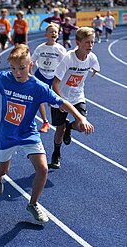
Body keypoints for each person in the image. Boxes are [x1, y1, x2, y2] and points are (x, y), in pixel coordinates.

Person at [0, 44, 94, 224]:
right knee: (4, 169)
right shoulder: (5, 79)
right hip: (7, 134)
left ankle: (32, 204)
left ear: (31, 65)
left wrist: (80, 118)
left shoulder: (38, 87)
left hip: (28, 133)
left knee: (42, 169)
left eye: (22, 68)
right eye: (13, 68)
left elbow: (62, 102)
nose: (17, 72)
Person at [49, 27, 100, 169]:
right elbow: (55, 83)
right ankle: (56, 153)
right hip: (60, 98)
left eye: (92, 42)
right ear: (78, 43)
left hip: (78, 97)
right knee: (59, 130)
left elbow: (95, 66)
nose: (90, 45)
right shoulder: (68, 58)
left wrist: (95, 70)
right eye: (87, 43)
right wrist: (59, 100)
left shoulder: (92, 58)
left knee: (82, 126)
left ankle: (69, 127)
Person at [31, 23, 66, 132]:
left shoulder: (60, 49)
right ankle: (45, 122)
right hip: (40, 75)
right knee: (38, 99)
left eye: (55, 32)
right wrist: (31, 74)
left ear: (58, 34)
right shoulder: (40, 48)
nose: (53, 33)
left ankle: (62, 122)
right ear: (46, 34)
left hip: (53, 77)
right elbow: (31, 61)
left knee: (55, 101)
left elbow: (65, 65)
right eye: (51, 32)